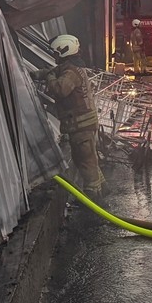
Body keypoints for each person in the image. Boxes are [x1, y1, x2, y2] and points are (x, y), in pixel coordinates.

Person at [40, 33, 104, 197]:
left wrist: (49, 77)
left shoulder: (71, 72)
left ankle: (94, 198)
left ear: (63, 51)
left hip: (81, 125)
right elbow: (52, 72)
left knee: (85, 161)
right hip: (82, 124)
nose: (54, 56)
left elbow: (60, 89)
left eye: (55, 53)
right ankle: (102, 188)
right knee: (86, 158)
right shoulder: (72, 66)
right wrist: (38, 74)